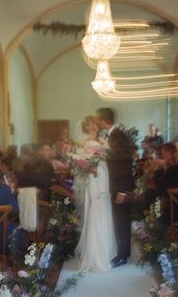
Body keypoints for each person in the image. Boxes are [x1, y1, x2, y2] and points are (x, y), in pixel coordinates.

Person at [75, 115, 117, 272]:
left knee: (103, 209)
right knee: (95, 209)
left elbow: (107, 158)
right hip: (93, 178)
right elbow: (82, 163)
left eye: (94, 123)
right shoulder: (86, 143)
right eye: (90, 124)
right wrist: (87, 166)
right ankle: (93, 254)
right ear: (86, 127)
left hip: (103, 177)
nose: (93, 126)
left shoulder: (103, 138)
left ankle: (103, 251)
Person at [96, 108, 135, 268]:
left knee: (122, 220)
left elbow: (125, 159)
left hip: (121, 184)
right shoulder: (113, 135)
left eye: (98, 119)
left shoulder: (118, 135)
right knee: (118, 220)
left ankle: (123, 255)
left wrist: (105, 152)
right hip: (116, 183)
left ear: (103, 120)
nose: (97, 122)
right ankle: (121, 252)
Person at [0, 146, 20, 252]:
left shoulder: (1, 188)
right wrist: (9, 193)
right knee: (21, 232)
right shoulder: (3, 189)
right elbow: (15, 212)